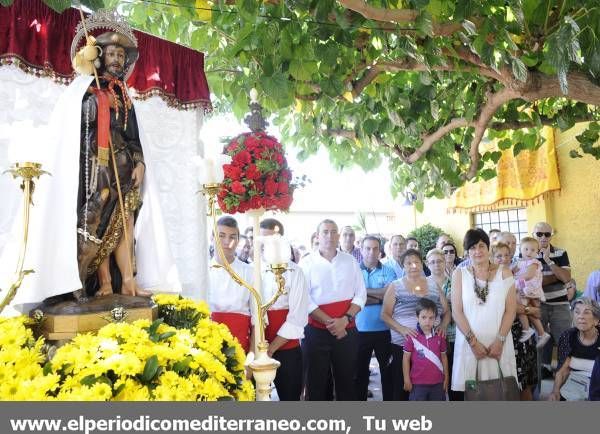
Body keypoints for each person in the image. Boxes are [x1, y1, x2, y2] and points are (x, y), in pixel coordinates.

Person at [5, 15, 179, 310]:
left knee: (124, 221)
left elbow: (133, 136)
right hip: (94, 167)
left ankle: (126, 280)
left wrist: (139, 163)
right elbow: (77, 124)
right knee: (96, 222)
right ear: (99, 57)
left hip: (123, 165)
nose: (116, 59)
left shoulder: (125, 97)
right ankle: (98, 282)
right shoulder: (84, 90)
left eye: (121, 55)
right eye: (111, 53)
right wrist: (96, 101)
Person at [300, 219, 366, 400]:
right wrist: (331, 323)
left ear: (338, 236)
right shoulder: (306, 263)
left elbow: (361, 295)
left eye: (333, 232)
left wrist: (344, 320)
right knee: (316, 384)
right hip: (316, 332)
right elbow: (304, 299)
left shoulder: (350, 261)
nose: (330, 236)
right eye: (325, 232)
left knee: (347, 382)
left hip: (347, 330)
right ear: (318, 236)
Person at [450, 229, 518, 399]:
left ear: (488, 248)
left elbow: (511, 310)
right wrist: (473, 343)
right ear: (467, 252)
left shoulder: (505, 273)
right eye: (472, 247)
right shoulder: (459, 274)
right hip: (470, 346)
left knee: (501, 395)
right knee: (473, 396)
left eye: (481, 246)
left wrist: (499, 341)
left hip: (498, 345)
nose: (477, 251)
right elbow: (457, 311)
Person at [381, 249, 450, 400]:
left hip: (432, 346)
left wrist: (443, 325)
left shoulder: (433, 285)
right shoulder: (395, 286)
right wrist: (402, 329)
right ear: (403, 266)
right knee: (403, 388)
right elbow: (384, 315)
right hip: (403, 346)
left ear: (422, 264)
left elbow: (446, 311)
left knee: (432, 389)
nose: (413, 265)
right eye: (408, 263)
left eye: (416, 262)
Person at [259, 218, 309, 401]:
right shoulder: (252, 270)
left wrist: (270, 350)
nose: (267, 246)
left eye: (272, 240)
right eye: (263, 241)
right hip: (257, 346)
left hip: (286, 348)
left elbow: (297, 317)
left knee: (290, 399)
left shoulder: (295, 272)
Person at [492, 240, 539, 400]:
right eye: (499, 256)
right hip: (504, 332)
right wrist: (527, 310)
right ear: (492, 257)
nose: (504, 258)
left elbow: (536, 309)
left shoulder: (515, 272)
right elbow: (505, 306)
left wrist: (531, 309)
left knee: (525, 378)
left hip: (522, 329)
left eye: (507, 254)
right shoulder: (491, 278)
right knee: (508, 379)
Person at [354, 235, 397, 401]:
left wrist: (363, 293)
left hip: (384, 329)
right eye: (368, 248)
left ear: (380, 251)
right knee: (359, 373)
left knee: (388, 373)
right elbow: (352, 296)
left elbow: (391, 296)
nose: (371, 252)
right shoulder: (354, 271)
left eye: (375, 248)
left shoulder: (389, 271)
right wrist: (380, 294)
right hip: (359, 330)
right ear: (362, 250)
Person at [208, 216, 254, 353]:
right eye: (221, 236)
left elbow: (259, 320)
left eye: (232, 237)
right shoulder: (202, 272)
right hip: (208, 343)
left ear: (238, 240)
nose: (227, 242)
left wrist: (251, 357)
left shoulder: (250, 272)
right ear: (212, 237)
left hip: (240, 344)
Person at [533, 222, 573, 377]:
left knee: (565, 341)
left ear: (551, 235)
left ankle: (564, 376)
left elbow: (566, 277)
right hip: (538, 304)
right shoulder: (527, 252)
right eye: (539, 234)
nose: (543, 237)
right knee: (539, 342)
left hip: (560, 304)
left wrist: (549, 262)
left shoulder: (561, 253)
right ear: (533, 235)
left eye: (547, 234)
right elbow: (532, 282)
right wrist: (556, 277)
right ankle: (543, 371)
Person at [548, 298, 600, 401]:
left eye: (586, 313)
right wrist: (555, 391)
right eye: (577, 312)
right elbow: (562, 370)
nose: (581, 316)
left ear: (596, 320)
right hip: (574, 385)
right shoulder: (568, 336)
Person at [403, 298, 449, 401]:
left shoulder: (440, 336)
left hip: (438, 384)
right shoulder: (411, 337)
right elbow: (405, 359)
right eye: (423, 317)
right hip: (417, 384)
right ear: (417, 317)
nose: (427, 321)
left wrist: (446, 378)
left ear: (435, 319)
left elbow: (444, 357)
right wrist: (406, 379)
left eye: (431, 318)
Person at [512, 237, 551, 346]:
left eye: (533, 250)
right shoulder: (520, 262)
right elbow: (512, 271)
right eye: (526, 249)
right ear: (520, 250)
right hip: (524, 287)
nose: (529, 252)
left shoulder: (534, 262)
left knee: (520, 306)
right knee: (529, 311)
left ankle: (526, 328)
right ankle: (542, 333)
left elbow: (529, 276)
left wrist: (514, 278)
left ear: (537, 252)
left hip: (531, 289)